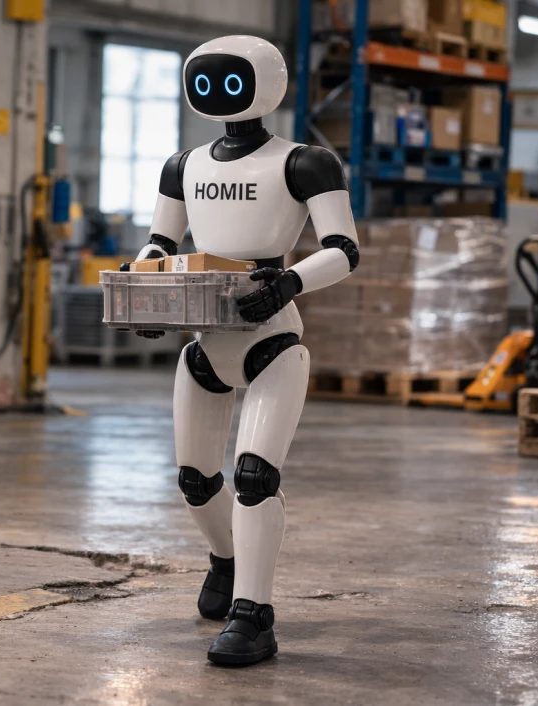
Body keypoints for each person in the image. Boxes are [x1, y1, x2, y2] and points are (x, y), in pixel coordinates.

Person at [129, 36, 358, 665]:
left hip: (273, 338)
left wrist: (288, 281)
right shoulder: (184, 165)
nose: (216, 91)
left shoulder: (306, 164)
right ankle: (226, 561)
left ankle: (254, 617)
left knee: (255, 478)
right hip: (206, 339)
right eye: (205, 80)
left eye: (229, 80)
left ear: (264, 83)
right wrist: (146, 287)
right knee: (196, 481)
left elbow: (344, 248)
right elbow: (158, 241)